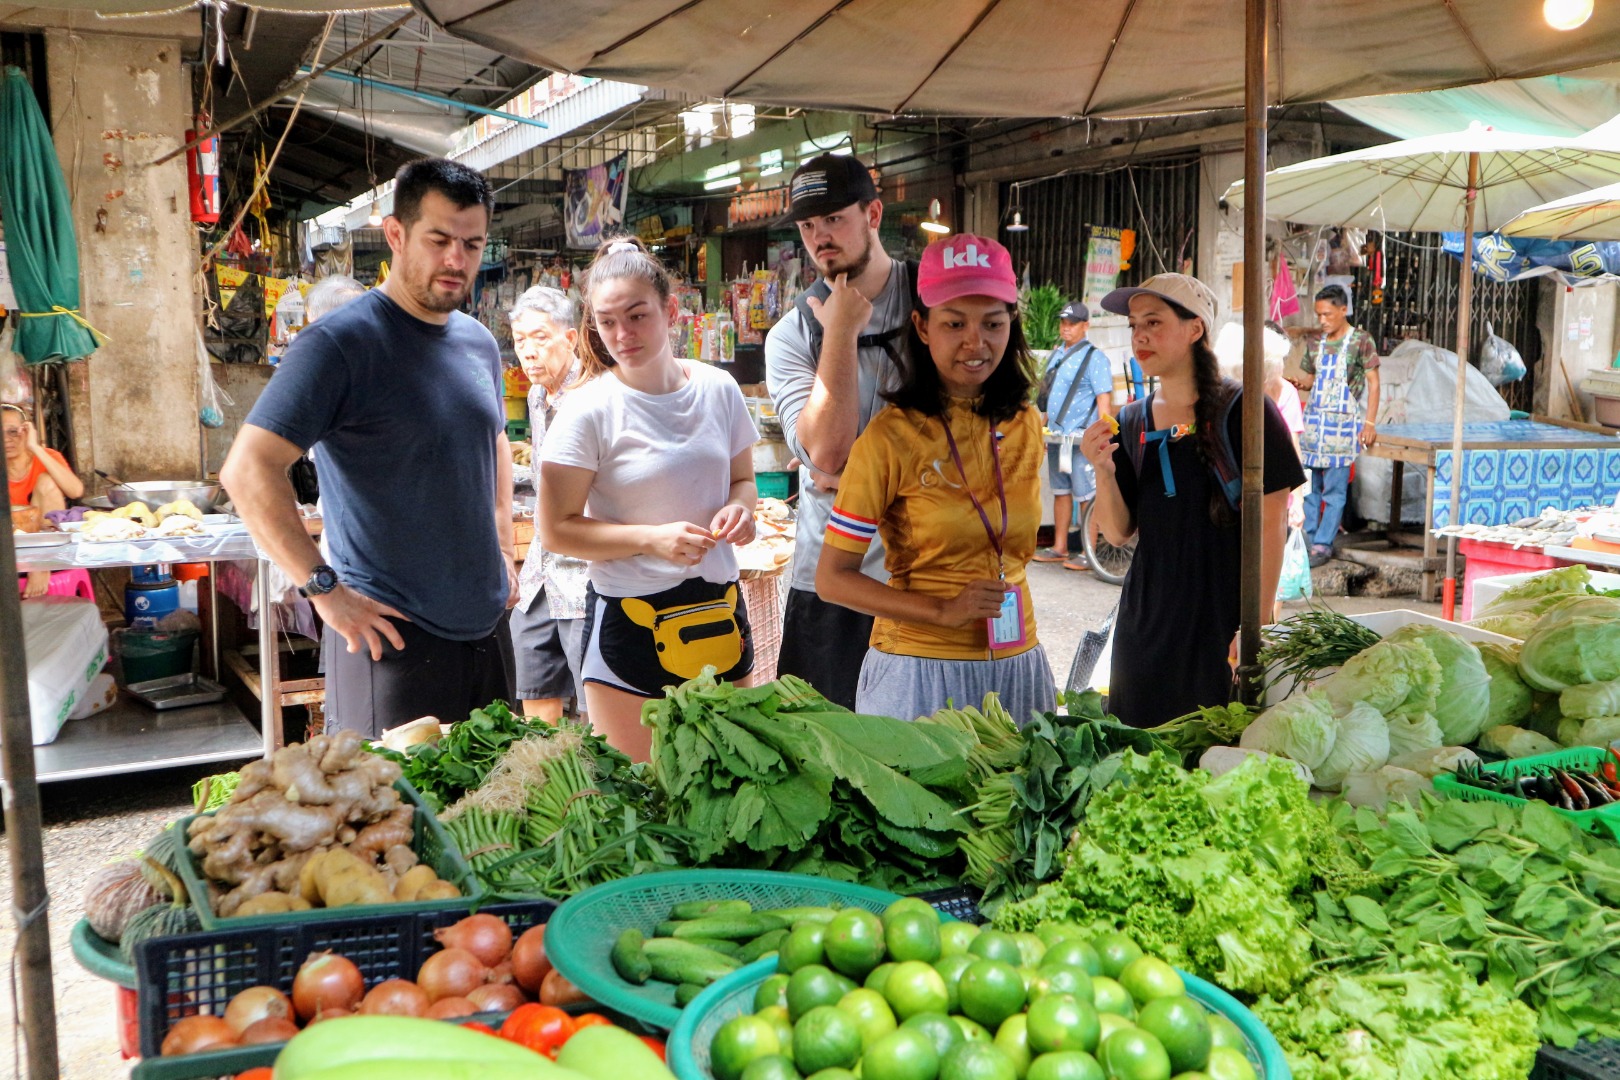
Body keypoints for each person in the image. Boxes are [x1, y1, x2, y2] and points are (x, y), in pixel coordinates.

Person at [221, 158, 518, 739]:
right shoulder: (339, 344)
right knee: (398, 820)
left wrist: (503, 544)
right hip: (391, 636)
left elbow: (495, 442)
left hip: (486, 629)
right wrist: (324, 589)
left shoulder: (477, 342)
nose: (456, 260)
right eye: (439, 240)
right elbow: (248, 469)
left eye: (472, 243)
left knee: (494, 814)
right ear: (395, 234)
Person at [816, 234, 1054, 725]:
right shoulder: (890, 436)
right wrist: (943, 611)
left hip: (1018, 660)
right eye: (955, 324)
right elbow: (831, 579)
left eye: (993, 323)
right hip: (919, 671)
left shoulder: (1026, 421)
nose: (976, 342)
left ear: (1013, 323)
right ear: (923, 327)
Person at [540, 237, 758, 762]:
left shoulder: (718, 387)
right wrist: (651, 540)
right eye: (608, 322)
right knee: (640, 798)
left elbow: (742, 482)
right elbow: (557, 530)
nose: (622, 334)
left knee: (736, 785)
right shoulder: (586, 410)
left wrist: (742, 511)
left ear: (671, 309)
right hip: (631, 621)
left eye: (636, 316)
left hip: (720, 610)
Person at [1081, 274, 1304, 729]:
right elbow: (1119, 531)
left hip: (1219, 628)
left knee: (1213, 754)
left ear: (1195, 329)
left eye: (1154, 322)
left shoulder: (1247, 412)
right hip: (1144, 628)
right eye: (1134, 325)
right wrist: (1103, 469)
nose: (1140, 335)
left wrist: (1256, 625)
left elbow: (1271, 520)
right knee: (1138, 756)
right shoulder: (1131, 420)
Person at [766, 153, 915, 709]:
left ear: (873, 213)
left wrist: (865, 473)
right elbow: (828, 452)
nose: (820, 237)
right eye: (808, 226)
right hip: (830, 580)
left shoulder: (931, 303)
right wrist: (842, 333)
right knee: (824, 761)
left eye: (834, 219)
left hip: (928, 572)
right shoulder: (793, 334)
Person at [506, 286, 589, 722]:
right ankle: (545, 766)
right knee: (530, 663)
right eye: (521, 341)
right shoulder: (538, 397)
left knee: (594, 690)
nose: (529, 352)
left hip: (586, 574)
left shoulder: (593, 397)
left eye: (540, 338)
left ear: (570, 338)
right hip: (543, 568)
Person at [1290, 284, 1381, 568]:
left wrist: (1369, 423)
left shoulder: (1361, 341)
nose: (1322, 320)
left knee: (1335, 490)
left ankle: (1323, 543)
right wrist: (1300, 384)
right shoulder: (1316, 343)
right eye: (1319, 315)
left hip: (1343, 428)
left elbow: (1374, 383)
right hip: (1315, 424)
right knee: (1309, 487)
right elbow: (1312, 380)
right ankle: (1308, 539)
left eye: (1328, 314)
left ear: (1343, 310)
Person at [1032, 301, 1113, 571]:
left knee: (1086, 494)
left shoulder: (1096, 358)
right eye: (1063, 323)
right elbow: (1050, 396)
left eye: (1072, 324)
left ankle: (1088, 552)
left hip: (1082, 440)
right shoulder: (1056, 354)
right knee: (1061, 491)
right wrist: (1043, 428)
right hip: (1056, 437)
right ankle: (1060, 547)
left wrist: (1103, 437)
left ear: (1085, 326)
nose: (1066, 328)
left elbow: (1104, 402)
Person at [7, 402, 85, 598]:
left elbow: (75, 491)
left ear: (27, 431)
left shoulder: (47, 457)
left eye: (13, 432)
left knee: (47, 483)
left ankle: (42, 564)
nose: (6, 440)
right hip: (9, 552)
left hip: (48, 551)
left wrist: (35, 446)